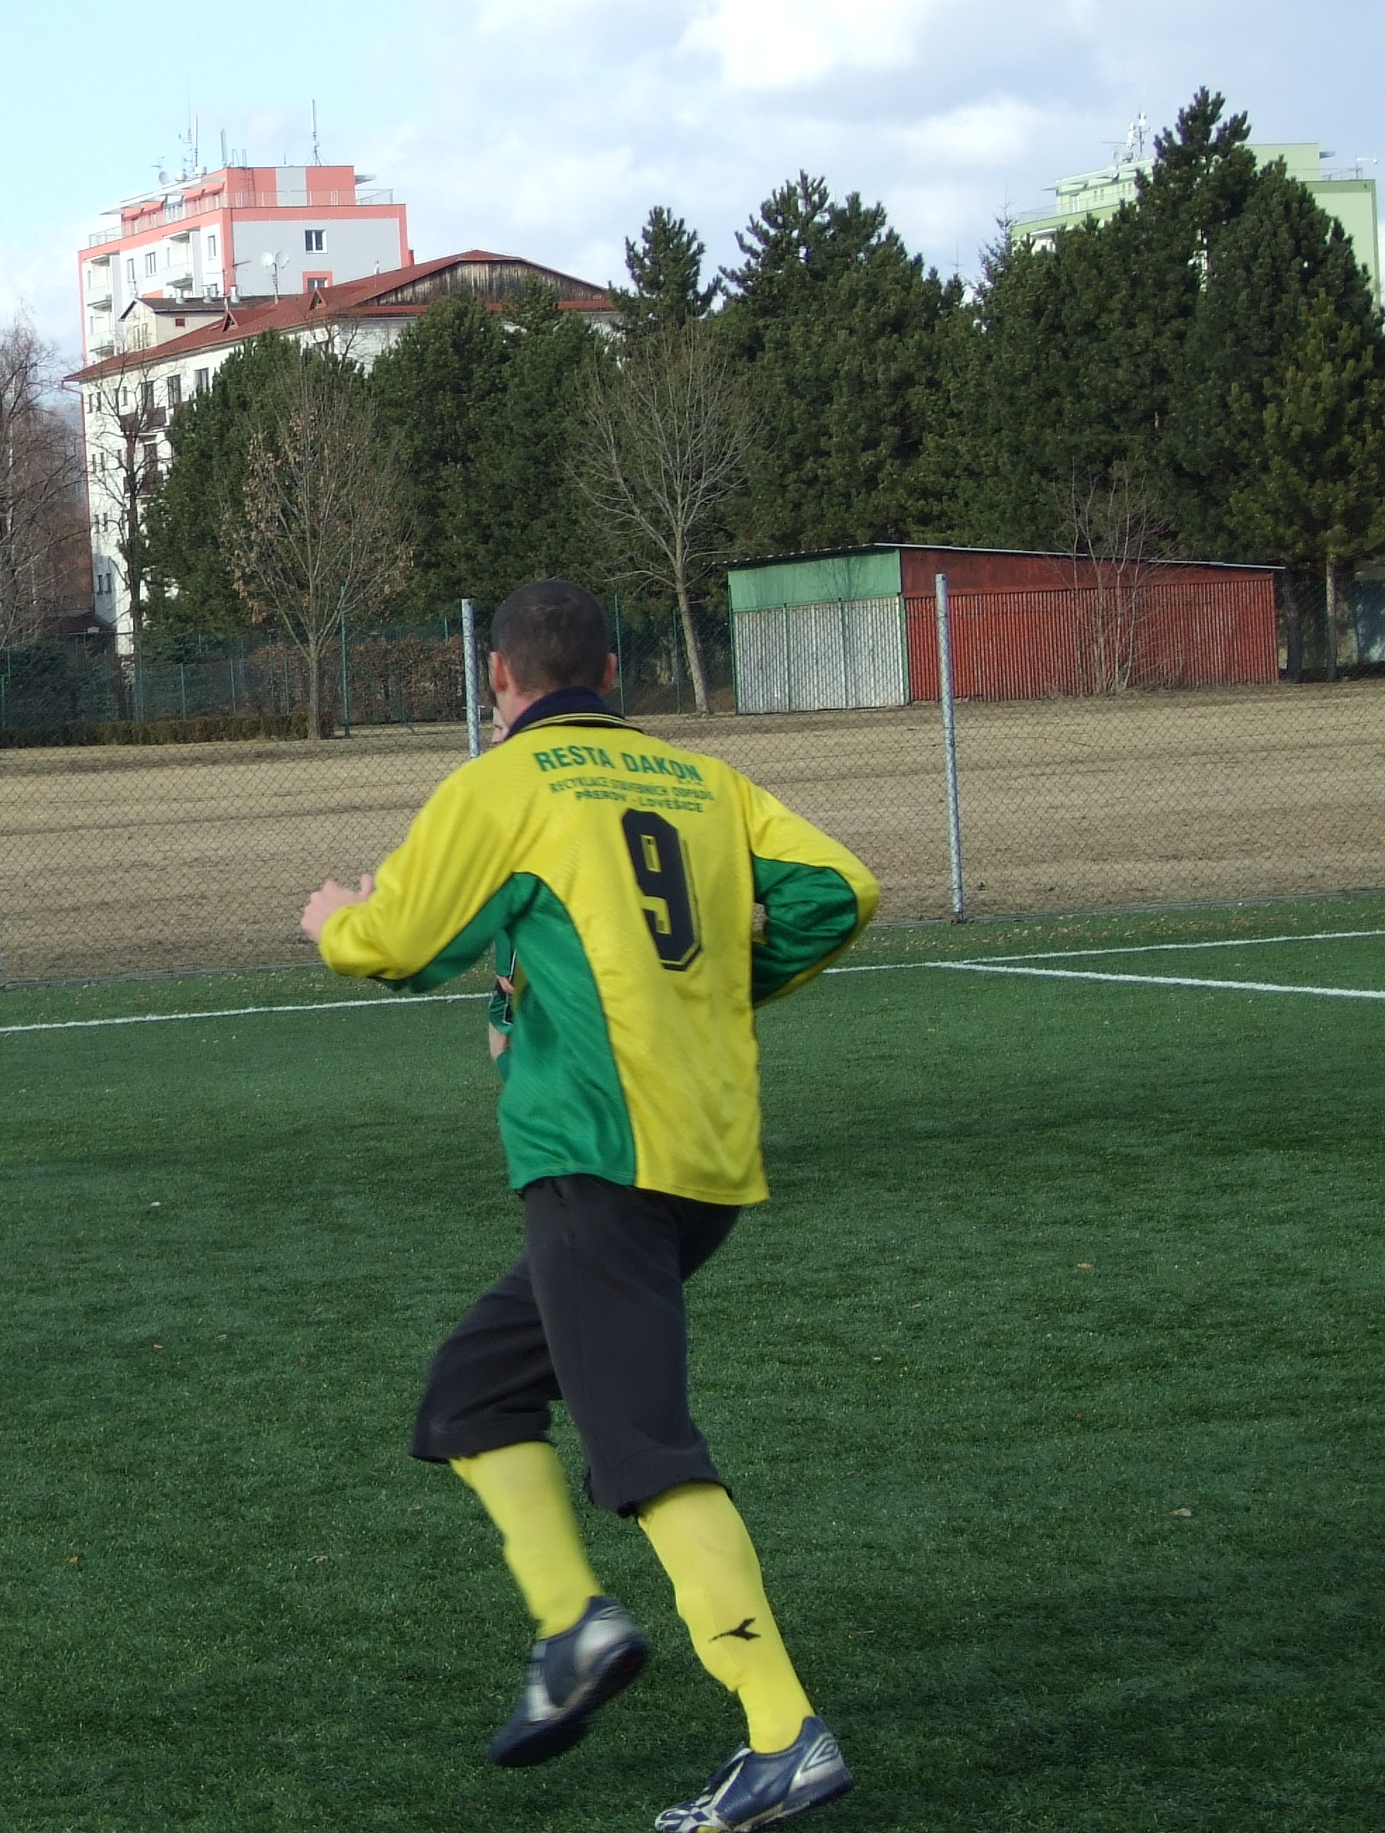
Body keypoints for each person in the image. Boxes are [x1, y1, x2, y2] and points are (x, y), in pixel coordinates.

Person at [301, 580, 879, 1833]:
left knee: (643, 1450)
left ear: (498, 681)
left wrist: (336, 921)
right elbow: (839, 889)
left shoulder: (502, 783)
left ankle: (781, 1730)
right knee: (472, 1394)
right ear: (613, 674)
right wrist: (710, 991)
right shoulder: (702, 782)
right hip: (701, 1162)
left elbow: (400, 943)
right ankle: (572, 1628)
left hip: (599, 1160)